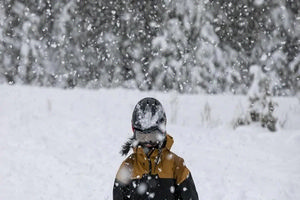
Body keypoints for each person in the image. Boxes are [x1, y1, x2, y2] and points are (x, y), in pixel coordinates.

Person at [113, 97, 199, 200]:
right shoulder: (128, 167)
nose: (147, 142)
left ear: (162, 131)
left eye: (152, 136)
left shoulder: (176, 165)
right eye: (142, 136)